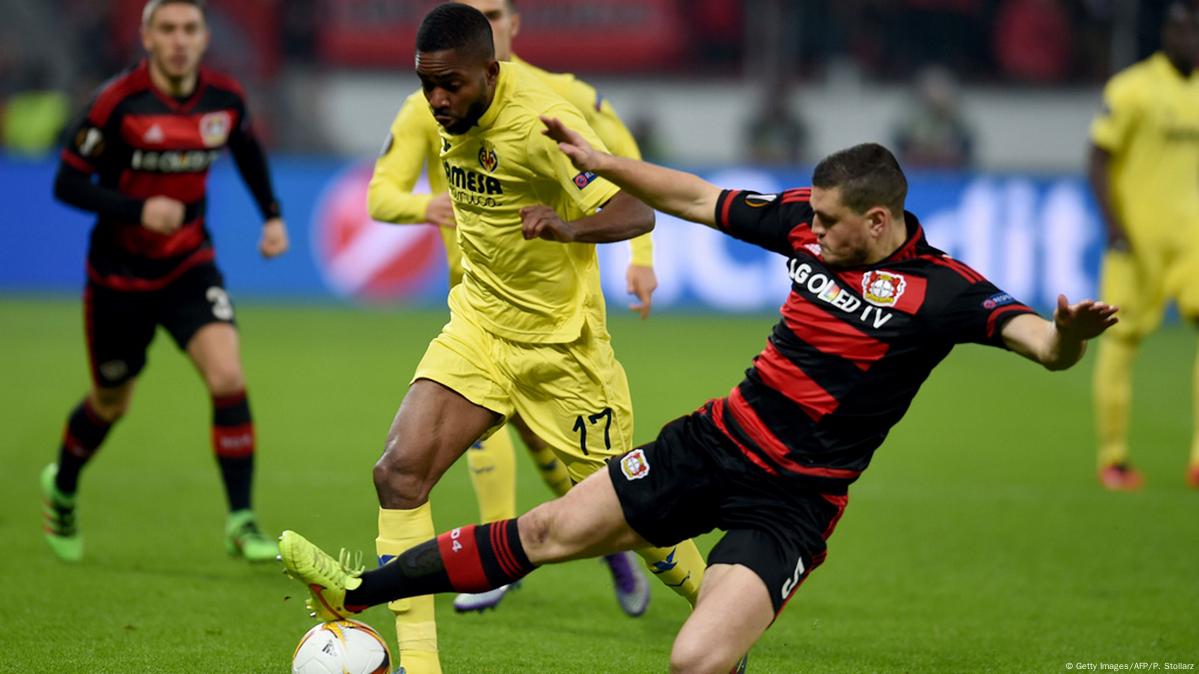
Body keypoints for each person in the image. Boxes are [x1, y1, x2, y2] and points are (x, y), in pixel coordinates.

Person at [280, 124, 1118, 673]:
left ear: (877, 218)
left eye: (829, 223)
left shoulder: (946, 292)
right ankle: (355, 593)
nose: (812, 233)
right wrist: (607, 165)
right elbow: (692, 198)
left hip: (792, 500)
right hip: (713, 443)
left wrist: (1073, 333)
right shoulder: (800, 221)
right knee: (547, 529)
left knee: (695, 661)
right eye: (812, 218)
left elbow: (1044, 348)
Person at [336, 6, 706, 673]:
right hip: (477, 326)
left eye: (450, 85)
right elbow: (385, 193)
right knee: (398, 473)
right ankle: (420, 667)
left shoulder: (543, 123)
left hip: (560, 352)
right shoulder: (437, 112)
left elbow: (634, 205)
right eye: (426, 85)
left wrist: (567, 228)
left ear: (490, 71)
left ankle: (720, 609)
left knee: (634, 513)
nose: (437, 100)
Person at [41, 0, 289, 564]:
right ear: (147, 37)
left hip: (188, 267)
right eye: (168, 29)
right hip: (118, 278)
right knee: (110, 403)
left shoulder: (223, 100)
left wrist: (272, 215)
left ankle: (241, 519)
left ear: (204, 38)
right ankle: (63, 487)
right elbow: (66, 183)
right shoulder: (116, 102)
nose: (180, 40)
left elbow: (247, 150)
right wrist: (135, 209)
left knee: (227, 375)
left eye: (190, 29)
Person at [1088, 0, 1199, 491]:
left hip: (1194, 240)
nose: (1189, 36)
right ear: (1166, 33)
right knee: (1122, 338)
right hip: (1138, 241)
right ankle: (1114, 457)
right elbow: (1098, 159)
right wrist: (1114, 225)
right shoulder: (1132, 88)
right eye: (1181, 27)